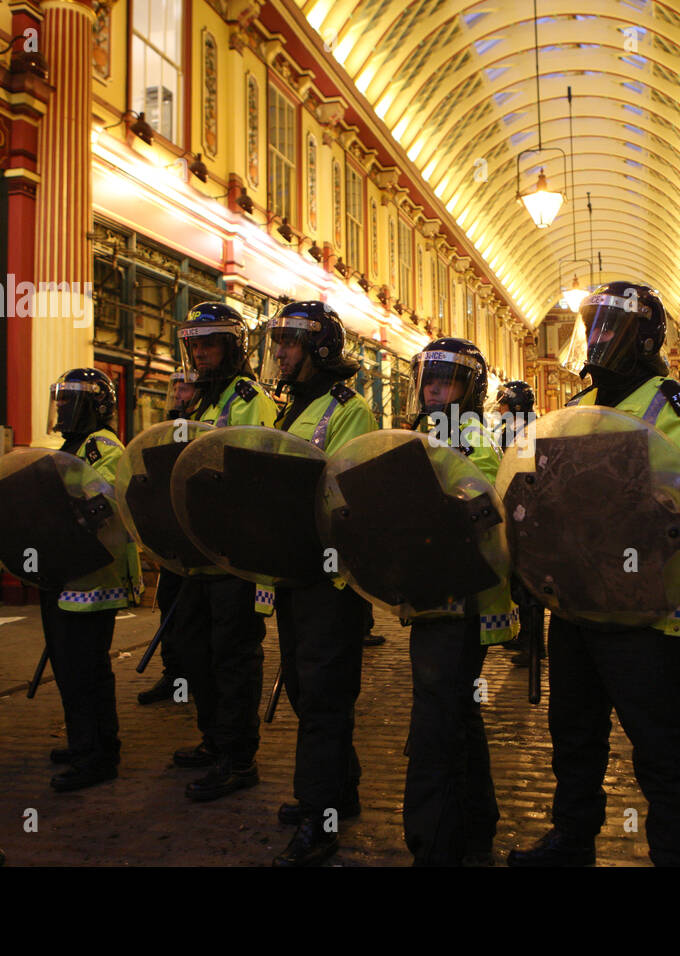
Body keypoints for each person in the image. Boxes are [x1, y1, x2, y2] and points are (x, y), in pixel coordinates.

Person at [508, 283, 680, 867]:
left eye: (610, 330)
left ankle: (677, 855)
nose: (598, 341)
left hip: (644, 608)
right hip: (575, 603)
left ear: (645, 342)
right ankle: (572, 841)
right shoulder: (577, 409)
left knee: (660, 746)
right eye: (592, 328)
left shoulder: (676, 407)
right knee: (573, 737)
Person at [261, 300, 378, 867]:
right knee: (308, 693)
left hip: (331, 581)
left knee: (326, 697)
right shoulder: (293, 408)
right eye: (276, 341)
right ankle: (340, 789)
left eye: (290, 342)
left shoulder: (348, 410)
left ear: (320, 350)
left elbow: (341, 489)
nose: (279, 351)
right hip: (293, 570)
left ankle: (319, 817)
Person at [404, 337, 514, 866]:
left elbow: (478, 513)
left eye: (444, 380)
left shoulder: (474, 440)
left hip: (459, 600)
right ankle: (475, 826)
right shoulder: (424, 432)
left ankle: (434, 844)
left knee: (436, 719)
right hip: (431, 594)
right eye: (427, 379)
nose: (432, 390)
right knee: (459, 712)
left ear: (470, 389)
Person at [165, 302, 277, 801]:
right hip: (194, 550)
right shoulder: (198, 400)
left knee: (233, 655)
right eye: (196, 344)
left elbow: (246, 465)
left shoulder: (247, 396)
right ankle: (212, 737)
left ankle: (238, 756)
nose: (202, 352)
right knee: (194, 651)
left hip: (234, 553)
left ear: (233, 346)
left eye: (210, 343)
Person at [40, 368, 142, 791]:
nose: (61, 408)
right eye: (59, 401)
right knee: (69, 665)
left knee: (84, 667)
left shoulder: (102, 445)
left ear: (94, 406)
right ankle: (88, 739)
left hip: (94, 576)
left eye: (70, 401)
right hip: (70, 572)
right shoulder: (74, 444)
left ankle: (96, 755)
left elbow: (104, 499)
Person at [137, 370, 194, 706]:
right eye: (174, 388)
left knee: (190, 619)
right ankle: (174, 678)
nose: (177, 394)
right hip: (172, 535)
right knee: (169, 609)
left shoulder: (203, 421)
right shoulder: (171, 426)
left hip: (198, 537)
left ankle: (190, 682)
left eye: (184, 387)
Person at [491, 380, 543, 667]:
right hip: (523, 511)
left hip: (523, 513)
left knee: (525, 583)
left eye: (503, 403)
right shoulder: (526, 427)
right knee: (522, 581)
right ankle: (528, 638)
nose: (499, 409)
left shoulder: (519, 431)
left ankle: (534, 645)